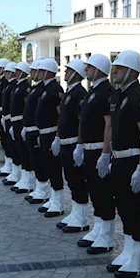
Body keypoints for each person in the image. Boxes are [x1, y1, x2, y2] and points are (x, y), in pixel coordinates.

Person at [100, 51, 140, 278]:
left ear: (132, 71)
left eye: (119, 68)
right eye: (114, 68)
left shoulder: (138, 96)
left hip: (133, 160)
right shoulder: (118, 96)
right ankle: (129, 252)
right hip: (119, 159)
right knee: (123, 207)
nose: (115, 71)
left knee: (135, 210)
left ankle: (138, 260)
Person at [76, 54, 117, 253]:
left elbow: (109, 124)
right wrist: (80, 145)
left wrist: (105, 153)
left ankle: (107, 236)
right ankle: (98, 228)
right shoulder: (93, 91)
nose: (86, 70)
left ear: (99, 69)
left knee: (104, 193)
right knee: (94, 191)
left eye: (89, 67)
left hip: (100, 149)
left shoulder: (107, 92)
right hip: (89, 149)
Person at [54, 59, 89, 233]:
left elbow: (82, 122)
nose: (65, 73)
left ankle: (82, 218)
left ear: (76, 73)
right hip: (66, 143)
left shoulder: (79, 93)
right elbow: (63, 119)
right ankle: (75, 213)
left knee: (78, 181)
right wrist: (57, 138)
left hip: (74, 143)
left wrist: (80, 145)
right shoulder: (70, 92)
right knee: (71, 180)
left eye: (68, 70)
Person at [35, 58, 65, 217]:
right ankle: (53, 199)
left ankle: (59, 202)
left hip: (52, 133)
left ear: (49, 72)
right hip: (44, 133)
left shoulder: (55, 89)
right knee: (48, 167)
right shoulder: (45, 88)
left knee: (54, 168)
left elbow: (62, 116)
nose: (38, 73)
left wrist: (58, 137)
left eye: (41, 70)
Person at [23, 60, 50, 205]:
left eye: (37, 71)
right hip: (32, 129)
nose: (34, 73)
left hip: (39, 130)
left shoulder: (44, 89)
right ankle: (40, 188)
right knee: (35, 160)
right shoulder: (37, 88)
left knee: (41, 162)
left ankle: (43, 190)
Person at [10, 62, 35, 193]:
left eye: (18, 70)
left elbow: (27, 108)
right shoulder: (18, 85)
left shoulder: (25, 86)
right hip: (15, 121)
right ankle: (24, 179)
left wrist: (25, 124)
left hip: (21, 121)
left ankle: (28, 181)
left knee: (25, 152)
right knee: (20, 150)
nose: (15, 72)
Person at [1, 62, 22, 186]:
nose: (5, 74)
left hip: (17, 120)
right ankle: (15, 172)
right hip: (10, 118)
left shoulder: (17, 85)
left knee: (18, 149)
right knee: (11, 146)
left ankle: (20, 176)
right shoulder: (12, 85)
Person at [0, 59, 13, 177]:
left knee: (8, 140)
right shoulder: (2, 82)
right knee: (4, 140)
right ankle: (8, 164)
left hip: (5, 114)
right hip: (1, 113)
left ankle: (10, 165)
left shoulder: (6, 83)